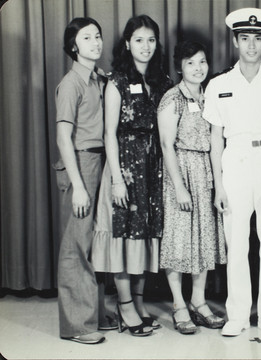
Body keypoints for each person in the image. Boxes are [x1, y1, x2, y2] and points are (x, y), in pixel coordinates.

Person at [203, 8, 261, 337]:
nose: (252, 45)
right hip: (235, 163)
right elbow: (215, 138)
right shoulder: (219, 84)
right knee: (237, 243)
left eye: (258, 39)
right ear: (235, 41)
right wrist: (219, 187)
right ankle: (238, 314)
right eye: (245, 39)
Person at [91, 15, 172, 337]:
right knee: (124, 238)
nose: (146, 46)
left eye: (151, 40)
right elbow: (109, 134)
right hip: (125, 166)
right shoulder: (118, 81)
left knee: (145, 236)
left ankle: (138, 303)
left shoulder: (162, 80)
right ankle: (125, 307)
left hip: (153, 168)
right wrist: (116, 180)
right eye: (139, 40)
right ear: (127, 44)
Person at [157, 40, 227, 335]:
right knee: (179, 239)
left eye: (202, 61)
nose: (198, 68)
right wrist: (180, 188)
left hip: (205, 173)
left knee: (204, 239)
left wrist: (217, 182)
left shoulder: (209, 96)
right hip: (181, 172)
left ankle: (198, 301)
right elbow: (165, 145)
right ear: (179, 67)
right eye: (190, 63)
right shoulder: (172, 98)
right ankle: (178, 304)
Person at [55, 17, 117, 345]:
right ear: (74, 46)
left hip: (100, 161)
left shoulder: (98, 79)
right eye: (86, 37)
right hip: (81, 163)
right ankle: (78, 325)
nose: (95, 42)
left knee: (95, 243)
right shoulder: (71, 83)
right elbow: (63, 136)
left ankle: (94, 313)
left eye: (97, 36)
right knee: (76, 245)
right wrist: (78, 185)